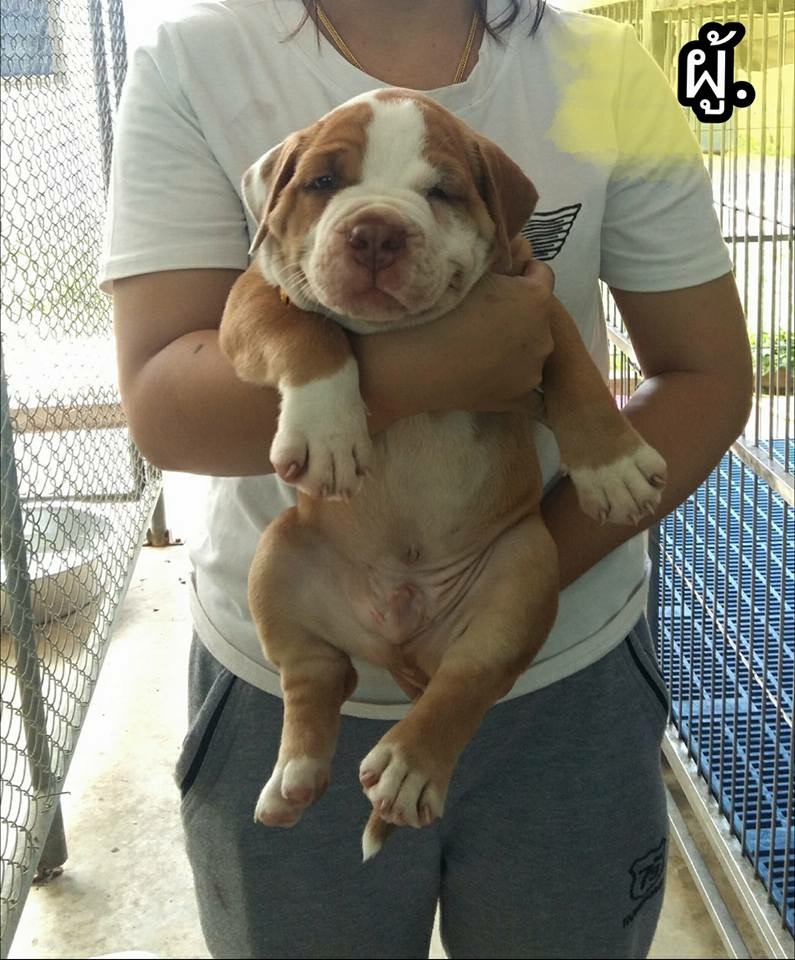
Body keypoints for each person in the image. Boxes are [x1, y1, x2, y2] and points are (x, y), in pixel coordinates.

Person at [102, 1, 753, 957]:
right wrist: (410, 375)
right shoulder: (195, 57)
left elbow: (706, 375)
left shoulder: (605, 65)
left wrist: (500, 591)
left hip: (558, 660)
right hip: (286, 652)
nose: (374, 228)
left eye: (438, 195)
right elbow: (165, 405)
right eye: (329, 183)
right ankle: (313, 704)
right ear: (283, 190)